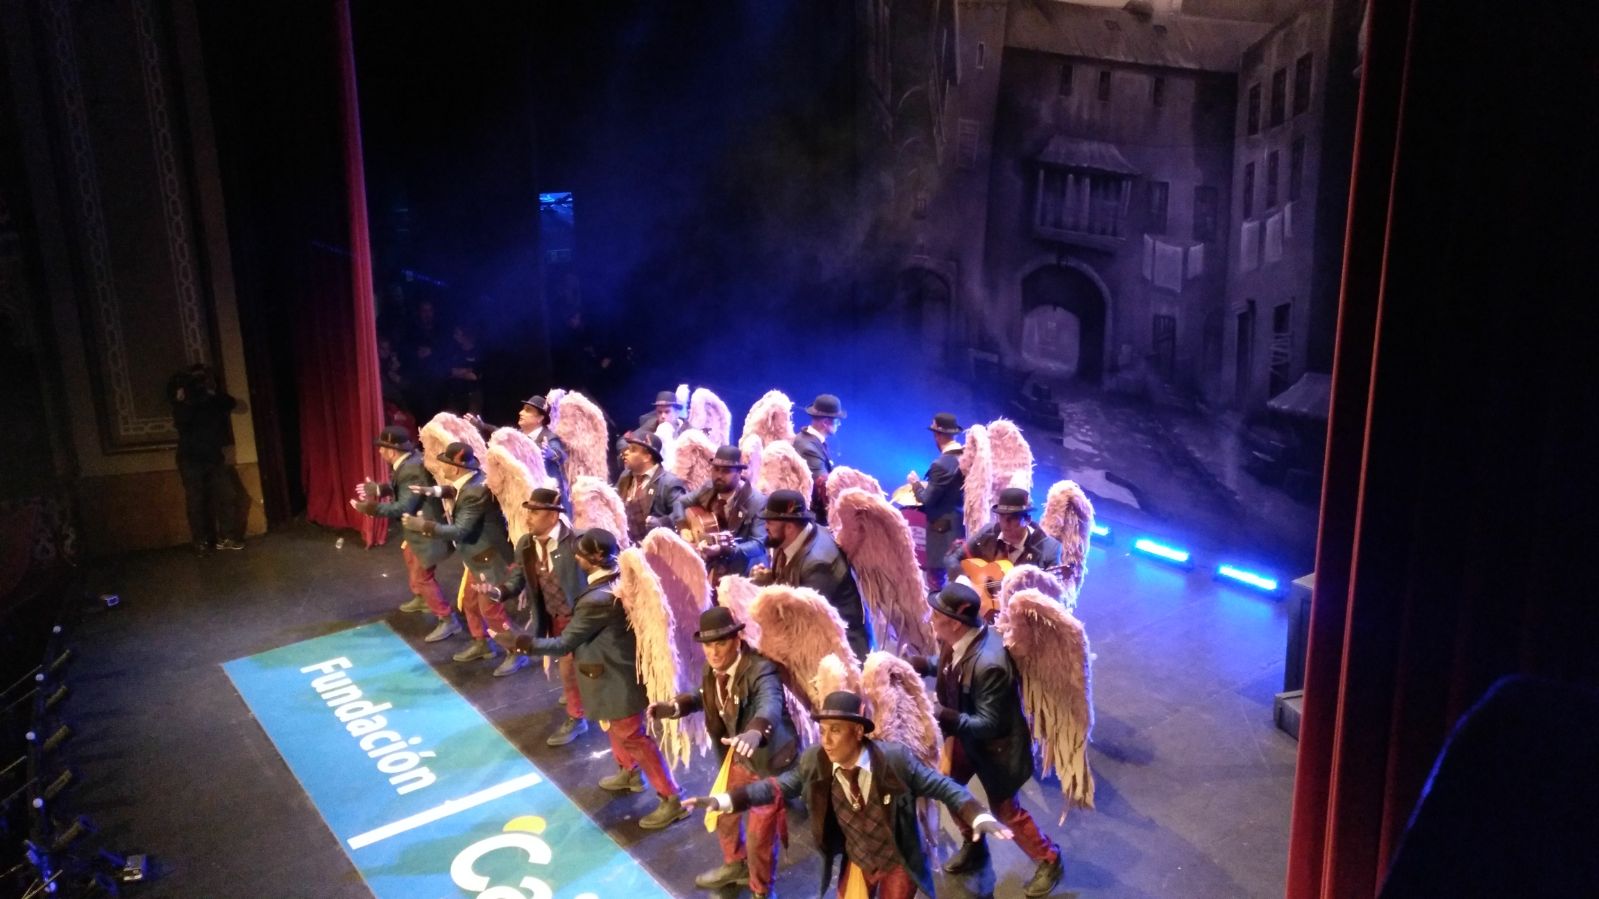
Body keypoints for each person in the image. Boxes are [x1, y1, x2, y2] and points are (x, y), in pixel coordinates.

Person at [685, 690, 1014, 899]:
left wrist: (977, 814)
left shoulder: (894, 762)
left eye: (836, 731)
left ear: (858, 732)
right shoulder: (817, 760)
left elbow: (941, 786)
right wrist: (727, 800)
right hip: (858, 859)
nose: (826, 740)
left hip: (896, 860)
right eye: (823, 731)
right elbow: (778, 787)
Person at [494, 528, 689, 830]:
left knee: (634, 737)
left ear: (595, 557)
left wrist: (521, 642)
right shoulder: (616, 581)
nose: (576, 557)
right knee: (615, 728)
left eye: (581, 554)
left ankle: (671, 798)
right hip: (608, 672)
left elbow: (564, 643)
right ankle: (629, 771)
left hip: (615, 676)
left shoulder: (598, 600)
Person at [910, 584, 1064, 897]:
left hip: (997, 751)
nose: (931, 618)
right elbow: (950, 666)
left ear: (955, 622)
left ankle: (1050, 859)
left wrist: (942, 713)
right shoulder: (956, 639)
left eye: (936, 614)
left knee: (1007, 813)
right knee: (948, 786)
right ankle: (975, 843)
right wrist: (924, 665)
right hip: (968, 738)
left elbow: (989, 724)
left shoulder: (989, 664)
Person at [648, 607, 798, 897]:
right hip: (737, 758)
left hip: (768, 761)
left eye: (720, 643)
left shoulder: (761, 669)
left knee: (760, 836)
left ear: (737, 639)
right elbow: (703, 695)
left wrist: (756, 732)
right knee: (722, 813)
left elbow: (770, 702)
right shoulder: (712, 670)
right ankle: (735, 864)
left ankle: (761, 890)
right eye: (708, 645)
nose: (713, 652)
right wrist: (674, 707)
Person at [475, 488, 591, 734]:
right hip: (552, 617)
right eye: (529, 512)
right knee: (570, 669)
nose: (528, 518)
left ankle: (577, 716)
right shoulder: (526, 544)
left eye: (535, 512)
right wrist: (497, 592)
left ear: (552, 517)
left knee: (569, 669)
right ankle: (579, 702)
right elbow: (517, 579)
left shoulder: (578, 543)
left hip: (582, 619)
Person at [401, 442, 515, 667]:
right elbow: (454, 491)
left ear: (455, 468)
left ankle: (516, 651)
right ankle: (482, 644)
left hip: (489, 560)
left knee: (490, 609)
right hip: (477, 557)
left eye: (445, 463)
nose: (441, 466)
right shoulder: (472, 481)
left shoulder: (475, 492)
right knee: (470, 604)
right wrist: (431, 491)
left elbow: (460, 529)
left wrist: (423, 525)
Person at [349, 427, 461, 643]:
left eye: (382, 448)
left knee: (422, 575)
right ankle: (421, 598)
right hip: (416, 530)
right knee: (411, 556)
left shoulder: (410, 468)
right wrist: (380, 490)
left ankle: (447, 619)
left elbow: (403, 506)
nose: (380, 452)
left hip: (425, 529)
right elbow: (404, 489)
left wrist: (372, 508)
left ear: (391, 451)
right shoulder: (410, 461)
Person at [750, 489, 872, 661]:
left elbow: (803, 623)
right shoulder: (789, 539)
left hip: (842, 653)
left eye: (770, 521)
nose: (766, 526)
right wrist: (769, 579)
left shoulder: (818, 565)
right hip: (812, 633)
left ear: (790, 527)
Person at [167, 362, 248, 553]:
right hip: (190, 458)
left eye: (201, 379)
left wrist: (212, 392)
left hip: (213, 457)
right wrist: (182, 400)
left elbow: (232, 404)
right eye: (196, 379)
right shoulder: (183, 402)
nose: (199, 383)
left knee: (228, 494)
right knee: (196, 500)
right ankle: (200, 541)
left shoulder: (213, 399)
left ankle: (227, 537)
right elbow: (181, 422)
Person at [466, 393, 571, 515]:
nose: (521, 413)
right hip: (522, 496)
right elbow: (501, 432)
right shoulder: (519, 435)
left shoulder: (549, 438)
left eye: (528, 410)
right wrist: (482, 425)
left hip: (547, 502)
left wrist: (549, 453)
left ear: (540, 418)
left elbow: (560, 454)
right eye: (523, 409)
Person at [675, 445, 768, 581]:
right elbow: (679, 502)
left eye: (726, 471)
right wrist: (683, 527)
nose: (718, 475)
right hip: (710, 568)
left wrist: (724, 550)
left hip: (744, 572)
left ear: (739, 473)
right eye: (716, 469)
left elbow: (758, 544)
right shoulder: (708, 488)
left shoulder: (757, 501)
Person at [905, 412, 966, 590]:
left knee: (936, 584)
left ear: (937, 435)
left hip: (942, 534)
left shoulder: (941, 464)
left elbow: (926, 500)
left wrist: (915, 484)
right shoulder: (965, 459)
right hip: (959, 528)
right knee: (957, 583)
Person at [962, 487, 1063, 569]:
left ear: (1027, 520)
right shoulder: (987, 532)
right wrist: (964, 580)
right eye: (1002, 516)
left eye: (1013, 518)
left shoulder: (1049, 549)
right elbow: (953, 559)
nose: (1006, 523)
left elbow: (1054, 590)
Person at [615, 431, 687, 543]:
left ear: (647, 457)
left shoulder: (669, 482)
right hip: (628, 547)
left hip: (658, 548)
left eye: (632, 449)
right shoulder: (625, 477)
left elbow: (683, 513)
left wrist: (662, 523)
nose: (625, 453)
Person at [792, 393, 844, 523]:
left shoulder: (808, 439)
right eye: (837, 421)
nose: (839, 425)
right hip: (813, 520)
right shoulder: (809, 447)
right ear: (826, 422)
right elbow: (823, 488)